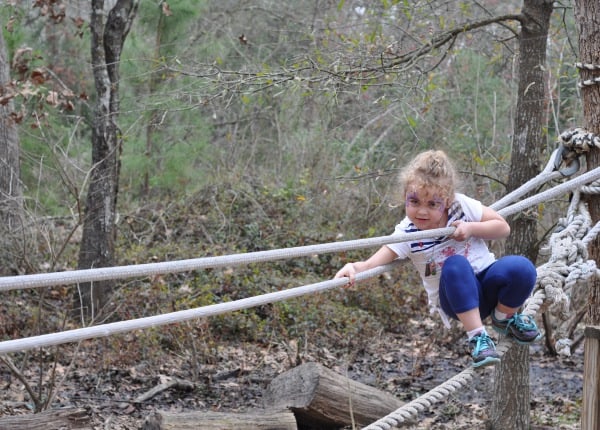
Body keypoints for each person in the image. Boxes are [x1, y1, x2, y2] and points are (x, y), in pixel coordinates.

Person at [334, 150, 541, 368]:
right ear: (404, 197)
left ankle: (503, 317)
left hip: (489, 286)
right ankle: (478, 337)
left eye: (432, 204)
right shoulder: (407, 233)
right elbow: (371, 264)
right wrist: (353, 268)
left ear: (447, 200)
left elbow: (502, 227)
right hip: (457, 299)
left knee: (523, 268)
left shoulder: (461, 206)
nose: (422, 211)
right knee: (455, 264)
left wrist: (471, 228)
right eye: (414, 201)